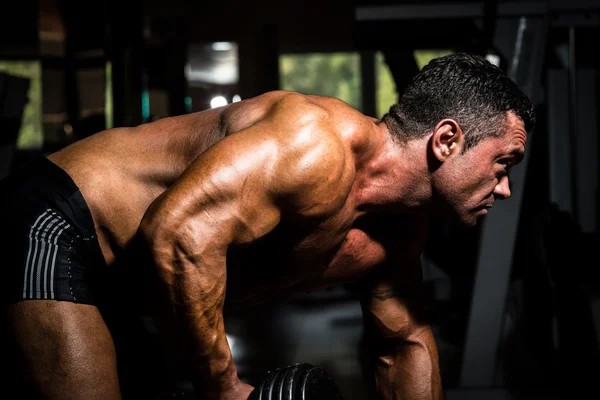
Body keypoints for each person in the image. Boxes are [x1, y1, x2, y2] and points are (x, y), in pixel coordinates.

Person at [1, 52, 534, 400]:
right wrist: (226, 388)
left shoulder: (399, 233)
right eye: (502, 163)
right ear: (446, 140)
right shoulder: (313, 147)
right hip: (61, 220)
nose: (506, 187)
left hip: (135, 283)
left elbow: (403, 344)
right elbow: (180, 236)